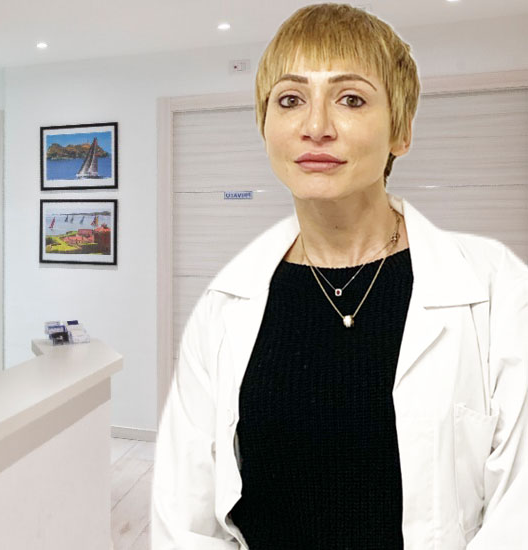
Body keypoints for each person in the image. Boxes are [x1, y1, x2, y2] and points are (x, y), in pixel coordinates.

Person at [151, 3, 528, 549]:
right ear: (265, 128)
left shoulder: (496, 290)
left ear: (401, 131)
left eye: (351, 99)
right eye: (290, 100)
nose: (316, 127)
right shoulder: (226, 304)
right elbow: (185, 517)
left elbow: (519, 512)